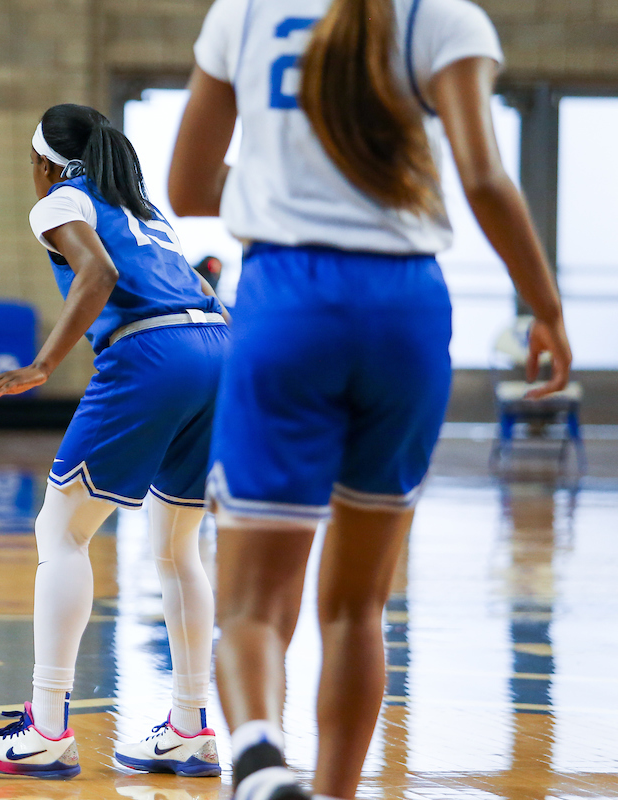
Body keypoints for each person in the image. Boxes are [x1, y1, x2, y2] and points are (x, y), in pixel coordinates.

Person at [169, 0, 573, 798]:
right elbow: (485, 177)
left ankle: (256, 755)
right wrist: (545, 307)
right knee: (357, 608)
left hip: (288, 299)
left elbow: (186, 186)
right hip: (406, 312)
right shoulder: (445, 17)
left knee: (252, 605)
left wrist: (284, 185)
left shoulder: (244, 14)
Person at [0, 103, 228, 779]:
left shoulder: (59, 203)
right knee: (176, 546)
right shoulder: (148, 213)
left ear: (46, 164)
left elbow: (97, 273)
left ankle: (46, 727)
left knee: (62, 532)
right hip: (219, 348)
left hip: (152, 354)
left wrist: (43, 365)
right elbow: (198, 286)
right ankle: (191, 726)